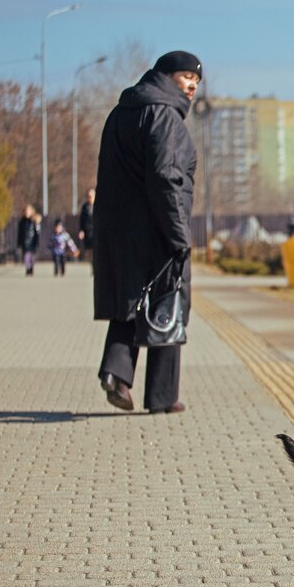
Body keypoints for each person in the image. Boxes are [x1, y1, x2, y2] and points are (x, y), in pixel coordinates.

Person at [93, 51, 201, 414]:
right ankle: (162, 396)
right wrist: (178, 233)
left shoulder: (122, 112)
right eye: (187, 76)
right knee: (168, 301)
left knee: (131, 300)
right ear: (165, 76)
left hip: (119, 228)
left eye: (197, 81)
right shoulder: (164, 115)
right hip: (157, 226)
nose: (192, 86)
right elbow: (165, 178)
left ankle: (116, 374)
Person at [17, 204, 40, 276]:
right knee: (26, 255)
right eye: (25, 211)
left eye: (28, 211)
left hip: (32, 241)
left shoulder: (34, 221)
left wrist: (37, 241)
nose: (27, 212)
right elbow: (19, 233)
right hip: (25, 241)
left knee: (32, 256)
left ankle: (31, 267)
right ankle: (27, 268)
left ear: (31, 212)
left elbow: (37, 232)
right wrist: (19, 242)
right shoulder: (21, 222)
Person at [78, 187, 95, 267]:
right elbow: (82, 219)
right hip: (87, 232)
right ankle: (92, 264)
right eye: (88, 196)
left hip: (96, 231)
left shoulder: (99, 205)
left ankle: (96, 266)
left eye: (91, 196)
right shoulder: (85, 207)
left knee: (96, 249)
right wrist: (81, 230)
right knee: (88, 250)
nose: (89, 198)